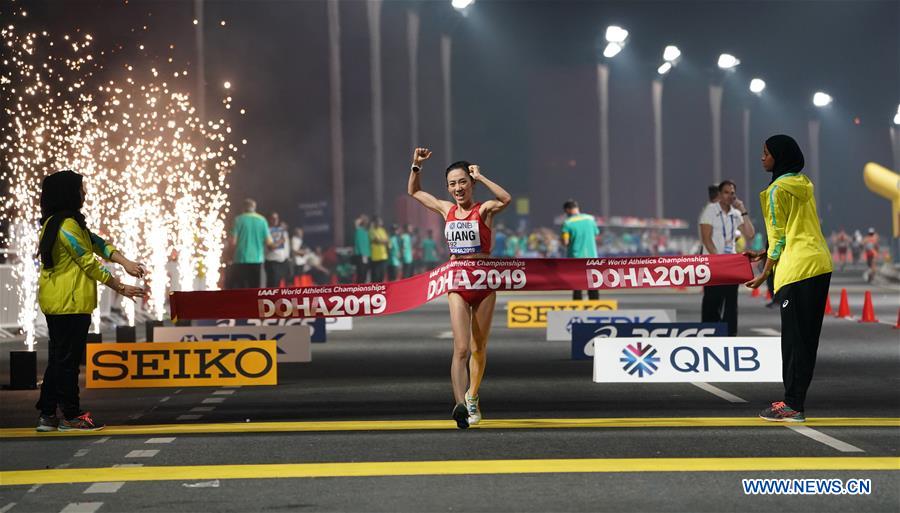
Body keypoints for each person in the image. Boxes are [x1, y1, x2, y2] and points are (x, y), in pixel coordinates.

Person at [35, 170, 147, 432]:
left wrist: (125, 261)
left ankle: (48, 414)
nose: (84, 193)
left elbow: (97, 242)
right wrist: (120, 286)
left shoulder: (65, 221)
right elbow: (88, 262)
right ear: (68, 193)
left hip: (62, 301)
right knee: (68, 361)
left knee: (59, 359)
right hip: (68, 302)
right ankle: (72, 415)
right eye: (80, 189)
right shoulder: (66, 225)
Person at [407, 147, 511, 429]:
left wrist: (482, 176)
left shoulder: (484, 210)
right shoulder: (446, 209)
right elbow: (415, 193)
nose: (457, 188)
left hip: (484, 284)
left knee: (479, 348)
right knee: (461, 348)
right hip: (457, 283)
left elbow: (505, 198)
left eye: (462, 181)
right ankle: (460, 406)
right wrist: (416, 166)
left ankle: (473, 395)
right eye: (452, 184)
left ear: (471, 182)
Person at [745, 134, 833, 423]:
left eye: (766, 152)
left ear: (779, 157)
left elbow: (780, 237)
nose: (762, 157)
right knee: (807, 340)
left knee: (793, 340)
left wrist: (764, 273)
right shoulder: (804, 184)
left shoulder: (776, 190)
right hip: (819, 263)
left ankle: (792, 405)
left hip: (796, 269)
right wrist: (765, 252)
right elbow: (796, 229)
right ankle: (796, 401)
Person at [699, 180, 756, 336]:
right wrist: (718, 260)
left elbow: (750, 234)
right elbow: (706, 238)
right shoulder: (710, 210)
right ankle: (709, 333)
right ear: (720, 194)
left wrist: (743, 210)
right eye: (726, 192)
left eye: (732, 193)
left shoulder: (736, 214)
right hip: (712, 263)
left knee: (731, 303)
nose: (730, 196)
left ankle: (730, 336)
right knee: (712, 301)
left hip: (730, 264)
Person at [561, 199, 600, 300]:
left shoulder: (567, 223)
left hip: (576, 257)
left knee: (577, 285)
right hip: (592, 257)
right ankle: (595, 308)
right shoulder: (590, 219)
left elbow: (565, 242)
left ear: (567, 210)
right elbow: (596, 234)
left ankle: (578, 310)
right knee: (592, 285)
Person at [230, 198, 273, 289]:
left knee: (241, 289)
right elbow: (269, 243)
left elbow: (232, 242)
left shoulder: (238, 220)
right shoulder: (262, 220)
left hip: (240, 258)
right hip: (257, 259)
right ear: (254, 207)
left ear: (243, 208)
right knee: (255, 289)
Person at [264, 212, 290, 288]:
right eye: (273, 218)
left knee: (282, 286)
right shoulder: (266, 231)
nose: (275, 220)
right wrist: (281, 241)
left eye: (277, 218)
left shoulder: (282, 230)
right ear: (269, 219)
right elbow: (271, 247)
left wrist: (287, 258)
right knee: (272, 286)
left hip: (283, 261)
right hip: (272, 262)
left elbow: (286, 246)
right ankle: (270, 300)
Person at [368, 216, 389, 282]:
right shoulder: (371, 231)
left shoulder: (383, 230)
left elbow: (387, 241)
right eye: (377, 221)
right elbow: (375, 240)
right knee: (375, 276)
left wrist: (381, 240)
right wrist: (382, 241)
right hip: (375, 257)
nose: (379, 223)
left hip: (383, 256)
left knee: (381, 276)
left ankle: (380, 291)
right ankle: (374, 291)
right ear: (374, 222)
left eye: (380, 222)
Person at [353, 215, 371, 282]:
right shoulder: (359, 230)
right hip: (361, 255)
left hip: (367, 255)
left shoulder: (366, 231)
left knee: (365, 274)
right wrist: (361, 219)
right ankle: (359, 289)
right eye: (365, 221)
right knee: (361, 274)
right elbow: (356, 223)